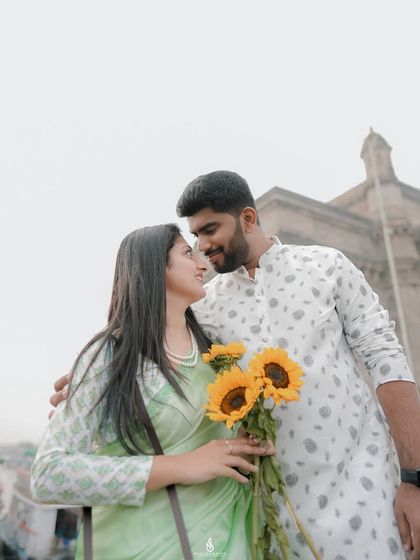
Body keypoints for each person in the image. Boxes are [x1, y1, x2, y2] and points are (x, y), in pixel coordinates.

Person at [50, 172, 420, 559]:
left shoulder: (327, 267)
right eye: (195, 236)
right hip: (271, 517)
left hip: (367, 493)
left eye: (210, 229)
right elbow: (149, 345)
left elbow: (386, 359)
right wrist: (95, 372)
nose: (203, 245)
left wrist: (413, 479)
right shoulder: (204, 308)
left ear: (247, 218)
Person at [32, 223, 274, 560]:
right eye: (188, 253)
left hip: (218, 541)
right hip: (140, 545)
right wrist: (180, 465)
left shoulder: (216, 353)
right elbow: (49, 475)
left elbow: (225, 442)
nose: (202, 263)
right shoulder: (109, 356)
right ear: (153, 266)